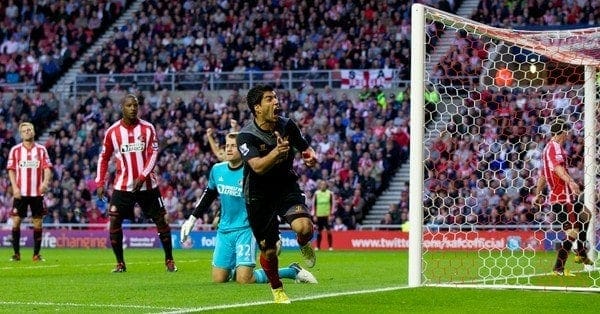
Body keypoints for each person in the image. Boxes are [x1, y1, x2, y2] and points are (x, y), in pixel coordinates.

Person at [180, 132, 317, 284]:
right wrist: (191, 220)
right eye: (227, 146)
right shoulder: (217, 170)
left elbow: (267, 203)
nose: (229, 149)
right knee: (219, 279)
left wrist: (273, 231)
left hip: (247, 229)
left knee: (245, 280)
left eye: (234, 146)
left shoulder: (254, 173)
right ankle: (236, 270)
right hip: (224, 229)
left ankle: (292, 271)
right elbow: (208, 195)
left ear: (243, 150)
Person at [236, 84, 317, 304]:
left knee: (305, 227)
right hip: (258, 196)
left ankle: (303, 243)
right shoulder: (245, 136)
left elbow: (305, 148)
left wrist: (310, 157)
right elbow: (258, 167)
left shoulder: (287, 125)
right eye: (269, 99)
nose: (276, 102)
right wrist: (277, 152)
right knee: (269, 251)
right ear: (257, 108)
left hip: (285, 187)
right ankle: (277, 289)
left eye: (276, 97)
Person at [95, 94, 177, 273]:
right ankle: (120, 263)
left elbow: (153, 154)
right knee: (115, 220)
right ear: (122, 107)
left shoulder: (148, 128)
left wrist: (142, 176)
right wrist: (100, 182)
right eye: (129, 105)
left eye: (136, 105)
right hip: (123, 186)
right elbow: (103, 158)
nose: (133, 108)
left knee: (161, 220)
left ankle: (169, 259)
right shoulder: (112, 132)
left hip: (147, 185)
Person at [535, 118, 592, 276]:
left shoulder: (547, 149)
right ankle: (558, 268)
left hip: (559, 196)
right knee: (572, 232)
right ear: (563, 132)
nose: (568, 135)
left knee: (586, 215)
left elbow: (543, 175)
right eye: (567, 132)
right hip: (563, 196)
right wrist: (571, 182)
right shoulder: (555, 147)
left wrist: (537, 193)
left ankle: (580, 251)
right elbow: (558, 168)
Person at [7, 122, 53, 262]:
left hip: (37, 193)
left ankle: (36, 255)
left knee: (38, 222)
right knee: (16, 221)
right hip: (21, 192)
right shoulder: (15, 150)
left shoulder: (41, 150)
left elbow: (47, 168)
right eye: (25, 130)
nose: (28, 132)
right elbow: (11, 170)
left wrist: (45, 182)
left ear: (34, 132)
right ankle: (16, 254)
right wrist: (14, 187)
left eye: (30, 129)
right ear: (21, 134)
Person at [313, 179, 334, 251]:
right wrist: (314, 215)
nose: (323, 186)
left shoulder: (330, 193)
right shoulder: (316, 193)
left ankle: (330, 247)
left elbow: (332, 204)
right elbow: (314, 204)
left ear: (326, 185)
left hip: (327, 215)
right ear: (320, 185)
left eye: (324, 184)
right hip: (319, 215)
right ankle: (318, 247)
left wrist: (331, 214)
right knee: (319, 231)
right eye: (321, 184)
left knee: (329, 231)